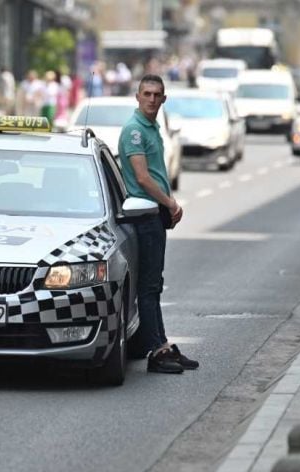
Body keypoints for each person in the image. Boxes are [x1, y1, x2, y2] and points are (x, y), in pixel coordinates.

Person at [118, 74, 197, 374]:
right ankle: (157, 351)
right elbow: (141, 178)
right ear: (137, 97)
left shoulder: (152, 128)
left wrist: (166, 202)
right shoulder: (135, 131)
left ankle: (162, 344)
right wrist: (170, 202)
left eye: (157, 95)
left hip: (154, 215)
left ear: (164, 99)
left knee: (155, 285)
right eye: (146, 94)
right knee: (149, 288)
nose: (152, 99)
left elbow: (156, 173)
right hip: (145, 215)